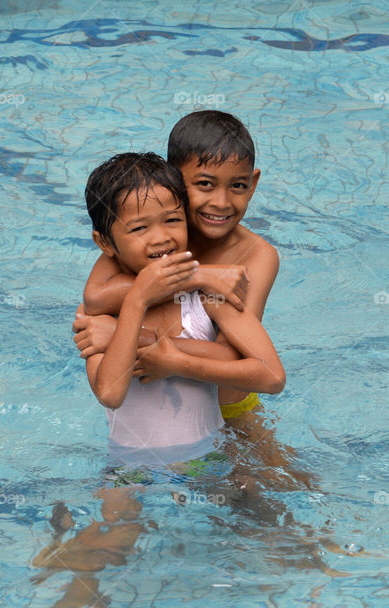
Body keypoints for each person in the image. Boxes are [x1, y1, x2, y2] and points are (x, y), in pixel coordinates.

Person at [73, 110, 308, 488]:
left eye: (237, 186)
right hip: (161, 415)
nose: (220, 202)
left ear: (254, 183)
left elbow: (239, 357)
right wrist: (200, 274)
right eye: (204, 184)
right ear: (173, 182)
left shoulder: (256, 256)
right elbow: (96, 298)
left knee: (273, 487)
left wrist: (138, 340)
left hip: (229, 404)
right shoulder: (148, 232)